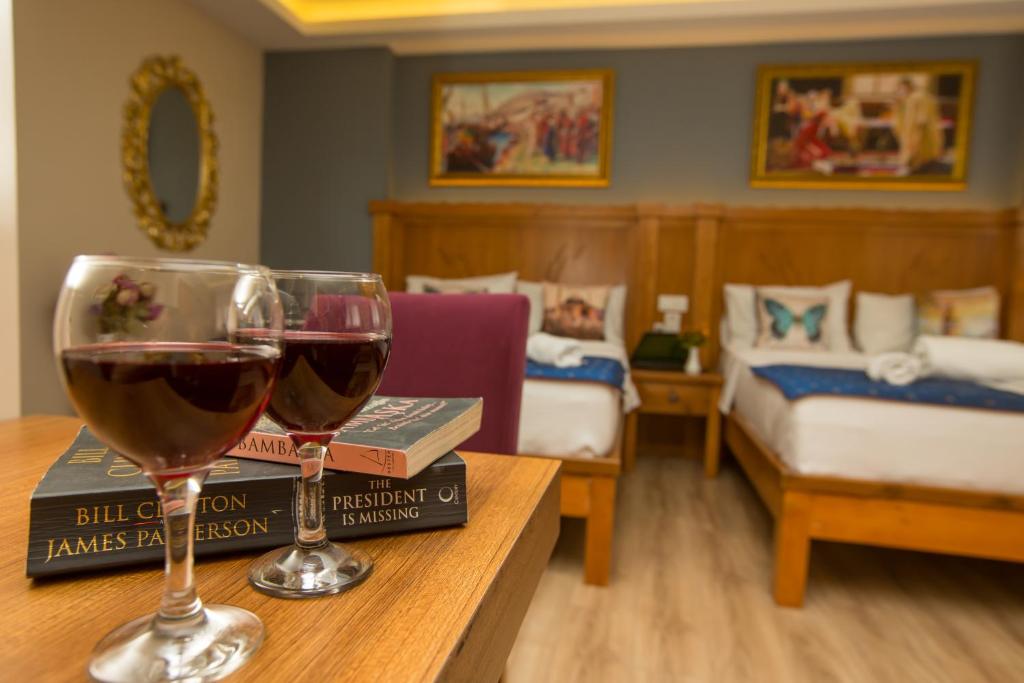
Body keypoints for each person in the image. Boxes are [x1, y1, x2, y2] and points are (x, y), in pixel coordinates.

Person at [891, 76, 944, 174]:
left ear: (905, 87)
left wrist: (913, 149)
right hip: (923, 148)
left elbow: (920, 124)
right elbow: (900, 127)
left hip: (920, 149)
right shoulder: (915, 98)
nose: (898, 93)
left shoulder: (917, 98)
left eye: (899, 90)